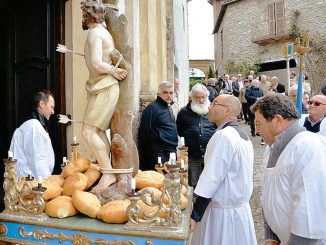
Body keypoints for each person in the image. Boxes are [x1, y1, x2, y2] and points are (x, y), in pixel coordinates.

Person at [251, 94, 326, 245]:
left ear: (277, 120)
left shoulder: (307, 147)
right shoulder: (271, 148)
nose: (257, 131)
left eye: (259, 124)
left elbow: (308, 218)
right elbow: (270, 194)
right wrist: (271, 236)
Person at [190, 94, 257, 245]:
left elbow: (211, 177)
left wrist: (196, 214)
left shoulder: (224, 136)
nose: (209, 107)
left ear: (227, 111)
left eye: (214, 103)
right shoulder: (240, 134)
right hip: (238, 211)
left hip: (223, 216)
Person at [81, 0, 128, 192]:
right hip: (102, 86)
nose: (82, 17)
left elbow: (96, 64)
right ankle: (107, 169)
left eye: (83, 13)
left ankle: (108, 172)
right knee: (98, 132)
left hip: (104, 86)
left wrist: (112, 71)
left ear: (88, 15)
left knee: (87, 132)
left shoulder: (95, 33)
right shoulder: (103, 32)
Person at [176, 83, 216, 187]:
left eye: (203, 97)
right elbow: (179, 130)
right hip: (193, 155)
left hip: (210, 154)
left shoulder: (213, 111)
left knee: (210, 182)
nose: (201, 100)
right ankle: (195, 202)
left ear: (207, 96)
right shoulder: (183, 112)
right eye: (197, 97)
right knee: (194, 183)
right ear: (192, 97)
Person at [9, 90, 55, 179]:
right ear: (42, 103)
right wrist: (47, 182)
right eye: (52, 107)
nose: (53, 111)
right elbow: (37, 161)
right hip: (31, 184)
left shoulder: (35, 126)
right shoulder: (34, 126)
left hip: (31, 182)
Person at [138, 81, 178, 170]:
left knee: (170, 179)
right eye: (165, 92)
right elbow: (144, 131)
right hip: (159, 152)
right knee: (159, 179)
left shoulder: (168, 107)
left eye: (171, 93)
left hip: (171, 150)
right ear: (158, 94)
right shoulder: (152, 108)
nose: (169, 95)